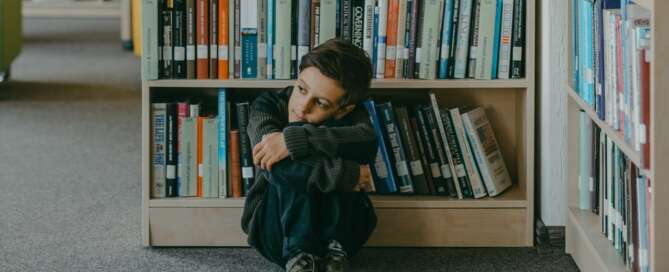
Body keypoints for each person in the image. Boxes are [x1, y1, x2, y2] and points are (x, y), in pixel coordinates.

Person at [241, 39, 378, 272]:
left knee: (329, 146)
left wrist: (296, 139)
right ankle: (299, 254)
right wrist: (347, 174)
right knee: (283, 164)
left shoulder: (351, 115)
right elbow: (274, 166)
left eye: (321, 103)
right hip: (275, 231)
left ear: (345, 108)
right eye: (301, 89)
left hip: (345, 235)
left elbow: (367, 141)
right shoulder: (266, 106)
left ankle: (333, 249)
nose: (303, 107)